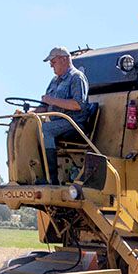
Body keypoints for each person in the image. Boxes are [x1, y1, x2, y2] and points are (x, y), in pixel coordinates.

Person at [37, 46, 89, 183]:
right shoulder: (54, 81)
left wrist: (52, 100)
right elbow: (44, 106)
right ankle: (36, 175)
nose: (51, 66)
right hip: (57, 122)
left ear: (64, 59)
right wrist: (25, 115)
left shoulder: (76, 77)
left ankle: (51, 178)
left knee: (46, 129)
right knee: (30, 125)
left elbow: (78, 105)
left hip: (73, 123)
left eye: (53, 62)